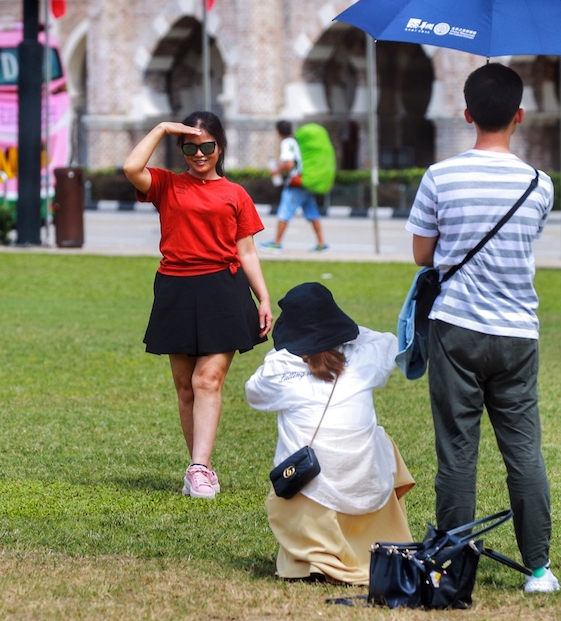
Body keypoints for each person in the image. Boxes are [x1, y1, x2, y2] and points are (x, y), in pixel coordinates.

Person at [405, 63, 560, 593]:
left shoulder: (439, 177)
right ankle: (538, 569)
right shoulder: (540, 184)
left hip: (457, 329)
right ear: (519, 116)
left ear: (466, 114)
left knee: (457, 449)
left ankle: (450, 565)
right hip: (518, 333)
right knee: (523, 450)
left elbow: (423, 254)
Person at [122, 110, 273, 500]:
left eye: (207, 146)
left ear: (220, 147)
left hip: (223, 288)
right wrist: (161, 128)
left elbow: (247, 251)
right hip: (175, 288)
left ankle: (200, 468)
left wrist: (264, 297)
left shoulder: (235, 194)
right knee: (184, 388)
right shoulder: (167, 184)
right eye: (190, 146)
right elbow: (131, 166)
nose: (199, 153)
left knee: (207, 380)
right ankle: (198, 465)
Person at [245, 282, 415, 585]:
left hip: (310, 488)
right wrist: (344, 332)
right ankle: (376, 543)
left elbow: (254, 393)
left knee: (296, 450)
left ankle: (313, 558)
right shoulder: (367, 359)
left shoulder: (279, 370)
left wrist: (286, 351)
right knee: (380, 438)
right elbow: (388, 341)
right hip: (366, 485)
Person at [259, 120, 328, 252]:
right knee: (312, 213)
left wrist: (277, 170)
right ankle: (321, 243)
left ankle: (277, 243)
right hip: (304, 182)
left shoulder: (286, 143)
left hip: (295, 184)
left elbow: (289, 164)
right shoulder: (296, 141)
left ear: (279, 132)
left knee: (284, 212)